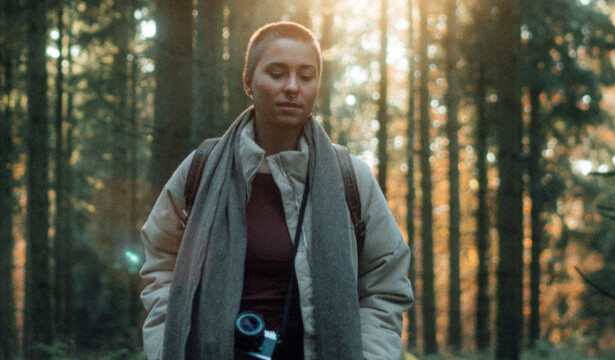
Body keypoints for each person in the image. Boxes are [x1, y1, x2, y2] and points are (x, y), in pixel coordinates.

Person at [138, 21, 413, 360]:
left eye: (306, 76)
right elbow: (161, 264)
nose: (293, 87)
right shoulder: (203, 168)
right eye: (278, 73)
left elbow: (385, 283)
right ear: (248, 82)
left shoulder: (349, 177)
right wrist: (167, 345)